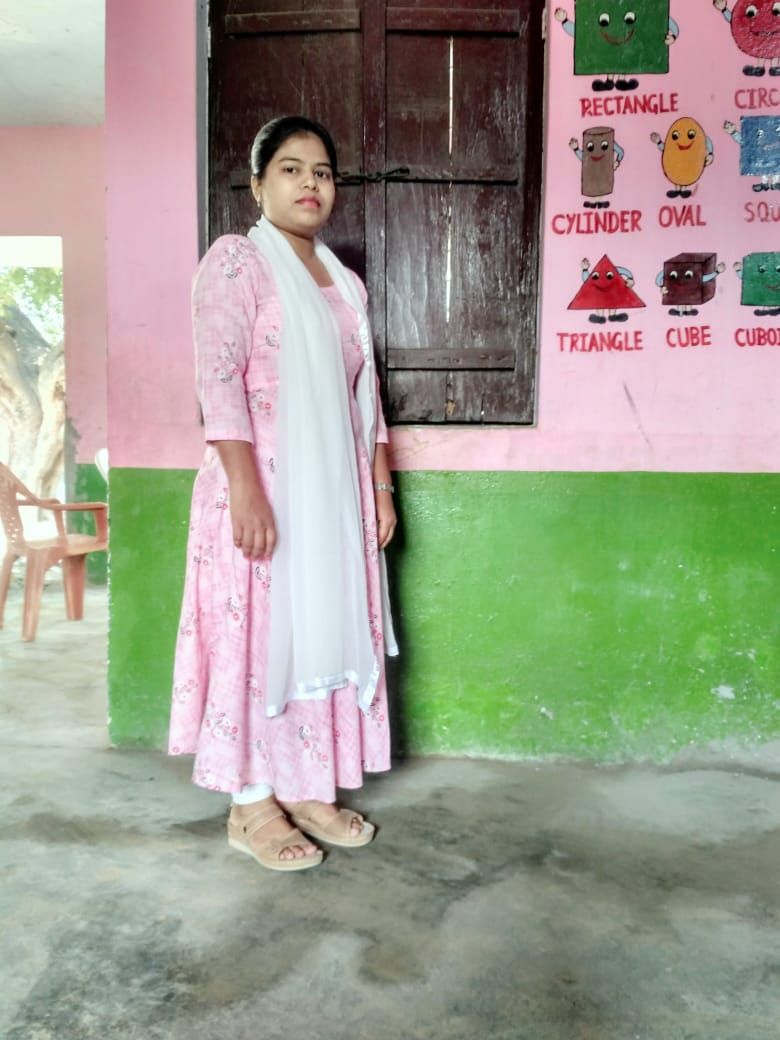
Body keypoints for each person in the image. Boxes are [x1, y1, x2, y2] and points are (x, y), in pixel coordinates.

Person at [169, 116, 398, 872]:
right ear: (258, 184)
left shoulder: (346, 284)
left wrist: (380, 488)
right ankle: (251, 804)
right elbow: (219, 381)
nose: (310, 184)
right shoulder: (237, 263)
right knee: (259, 639)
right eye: (292, 169)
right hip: (259, 485)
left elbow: (365, 398)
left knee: (320, 631)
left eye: (322, 172)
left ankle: (304, 785)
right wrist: (246, 490)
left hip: (332, 495)